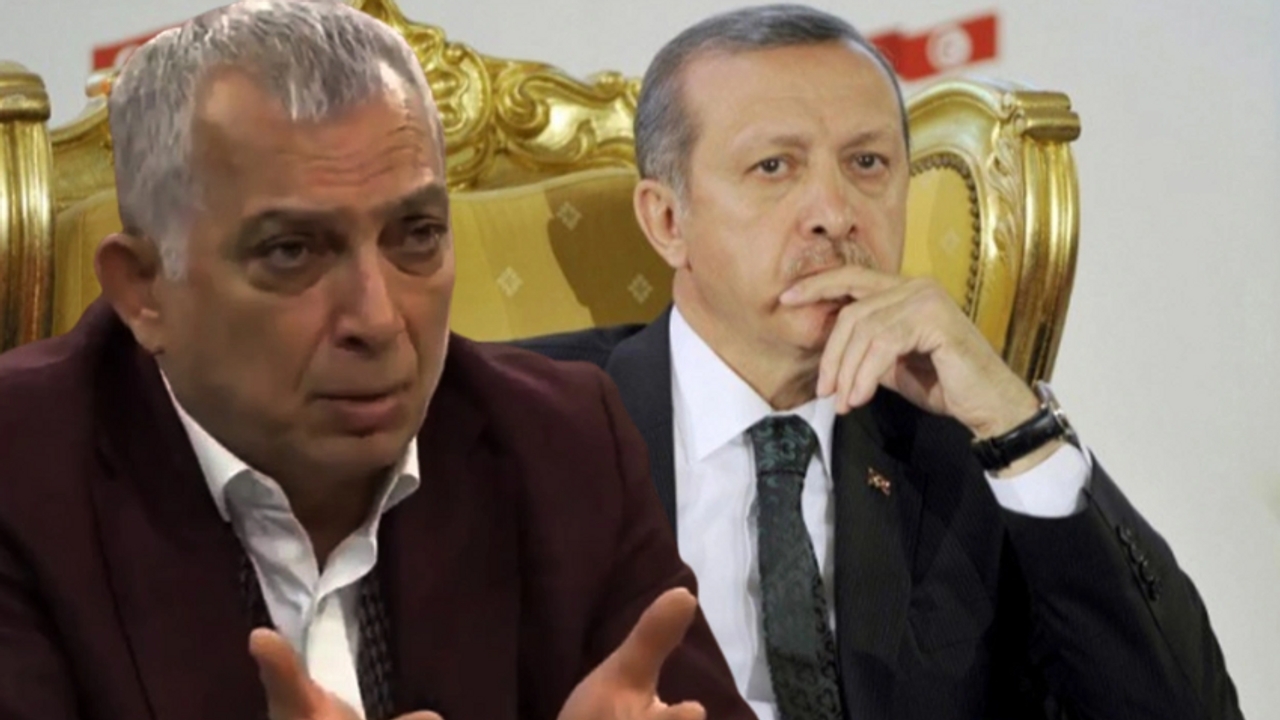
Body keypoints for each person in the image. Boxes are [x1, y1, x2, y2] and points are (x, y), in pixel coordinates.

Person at [0, 3, 753, 720]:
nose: (378, 319)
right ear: (143, 291)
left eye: (417, 236)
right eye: (291, 251)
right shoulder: (21, 473)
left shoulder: (563, 443)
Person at [519, 5, 1242, 719]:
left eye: (867, 163)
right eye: (774, 166)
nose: (835, 213)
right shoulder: (523, 429)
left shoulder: (974, 455)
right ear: (668, 220)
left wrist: (1017, 424)